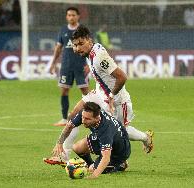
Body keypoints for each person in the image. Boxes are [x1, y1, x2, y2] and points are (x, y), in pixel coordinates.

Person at [43, 25, 153, 165]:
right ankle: (64, 155)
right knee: (74, 114)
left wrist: (112, 96)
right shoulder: (91, 52)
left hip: (117, 101)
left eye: (81, 44)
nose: (77, 49)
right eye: (75, 45)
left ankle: (145, 138)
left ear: (89, 40)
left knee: (121, 132)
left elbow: (122, 77)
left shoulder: (99, 57)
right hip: (99, 93)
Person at [52, 102, 131, 179]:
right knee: (77, 147)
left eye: (87, 119)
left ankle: (121, 164)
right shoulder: (85, 113)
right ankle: (91, 165)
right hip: (108, 139)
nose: (83, 121)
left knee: (92, 169)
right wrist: (59, 143)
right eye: (83, 117)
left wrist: (94, 175)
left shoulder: (105, 129)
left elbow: (106, 157)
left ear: (97, 118)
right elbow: (69, 126)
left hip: (119, 152)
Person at [49, 7, 89, 126]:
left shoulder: (83, 30)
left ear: (78, 16)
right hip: (66, 66)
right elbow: (58, 48)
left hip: (81, 65)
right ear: (67, 17)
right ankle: (64, 118)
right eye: (69, 15)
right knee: (64, 90)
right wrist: (53, 63)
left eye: (73, 15)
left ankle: (91, 116)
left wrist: (89, 64)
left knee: (86, 91)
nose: (71, 17)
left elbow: (90, 46)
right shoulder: (63, 30)